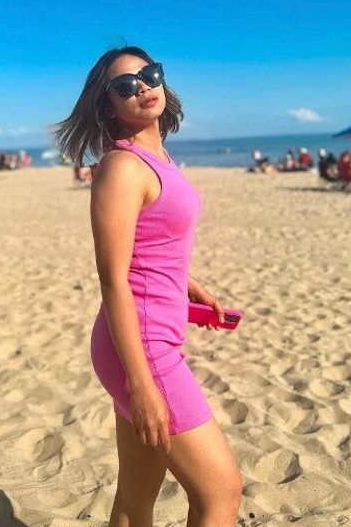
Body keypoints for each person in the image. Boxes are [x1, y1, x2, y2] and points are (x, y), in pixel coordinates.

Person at [52, 47, 241, 525]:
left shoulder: (157, 157)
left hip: (153, 334)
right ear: (107, 106)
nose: (141, 86)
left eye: (149, 74)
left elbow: (152, 245)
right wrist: (141, 385)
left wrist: (188, 285)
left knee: (135, 500)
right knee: (221, 494)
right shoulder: (121, 168)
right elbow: (113, 279)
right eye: (123, 86)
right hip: (141, 347)